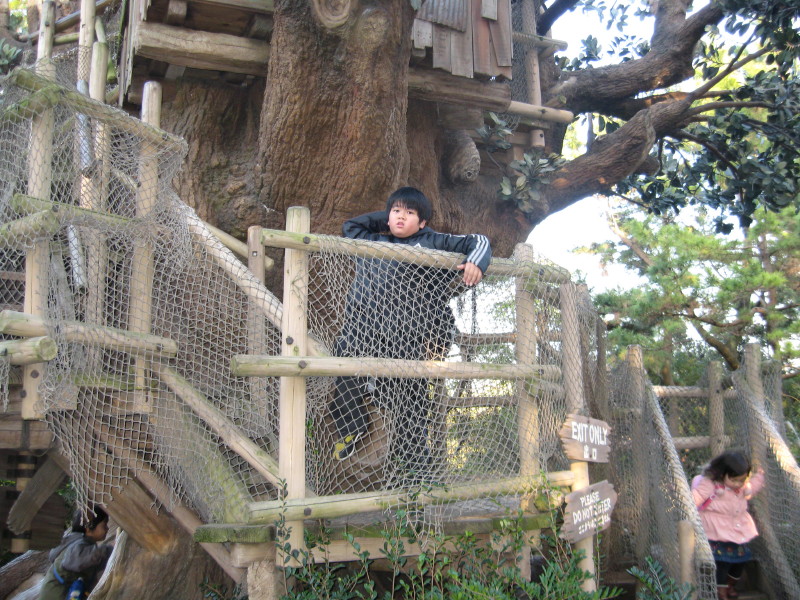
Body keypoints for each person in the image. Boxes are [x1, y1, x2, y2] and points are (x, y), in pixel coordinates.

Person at [329, 187, 491, 482]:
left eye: (410, 213)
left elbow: (479, 241)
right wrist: (391, 217)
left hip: (406, 338)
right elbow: (350, 226)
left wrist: (476, 262)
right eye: (396, 211)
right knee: (343, 363)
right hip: (362, 330)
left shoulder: (433, 241)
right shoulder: (372, 240)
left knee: (411, 405)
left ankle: (417, 475)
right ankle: (352, 427)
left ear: (423, 221)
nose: (401, 217)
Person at [691, 451, 765, 600]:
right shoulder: (710, 484)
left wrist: (760, 476)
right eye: (734, 480)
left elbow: (753, 487)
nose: (738, 484)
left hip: (737, 531)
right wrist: (684, 500)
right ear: (722, 473)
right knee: (722, 562)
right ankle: (721, 590)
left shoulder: (742, 486)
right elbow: (696, 497)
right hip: (716, 531)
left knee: (741, 559)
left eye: (742, 480)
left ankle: (730, 585)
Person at [39, 505, 114, 600]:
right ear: (89, 527)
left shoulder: (81, 544)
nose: (107, 528)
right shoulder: (78, 545)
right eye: (104, 525)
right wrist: (109, 550)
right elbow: (80, 559)